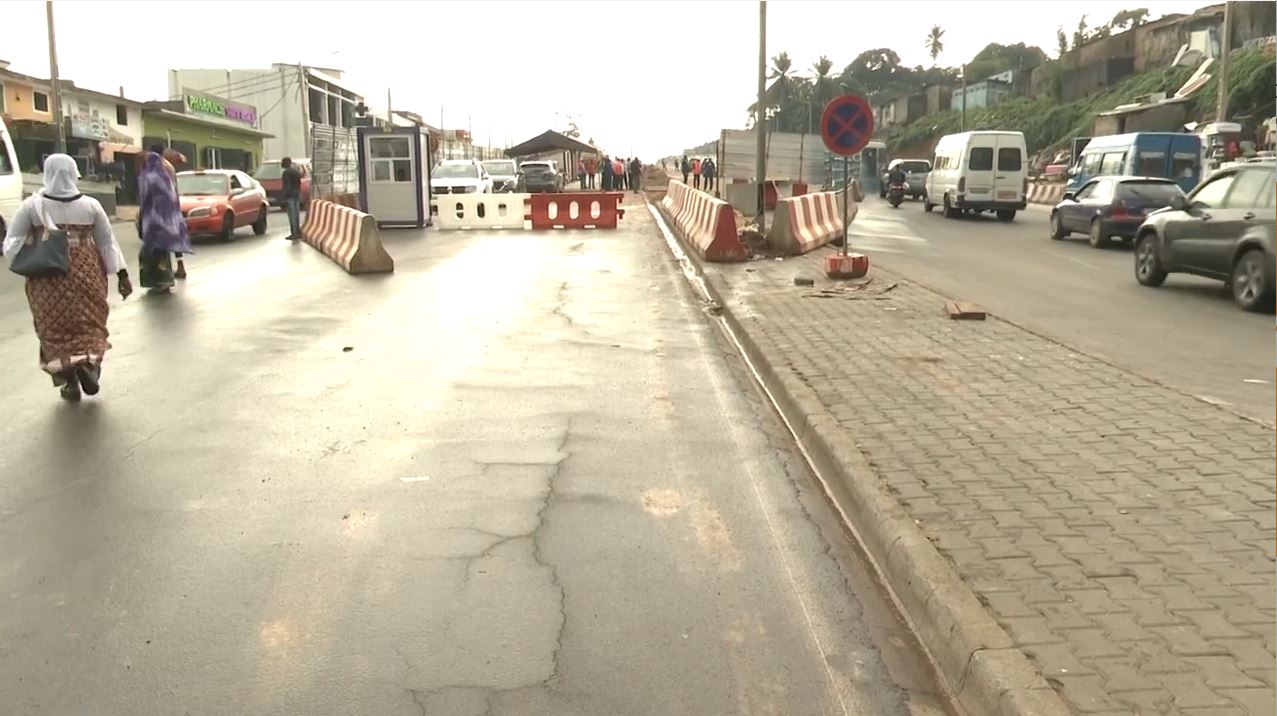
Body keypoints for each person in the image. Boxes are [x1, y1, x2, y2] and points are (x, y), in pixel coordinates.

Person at [3, 154, 132, 401]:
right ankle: (89, 365)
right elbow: (107, 244)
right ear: (74, 173)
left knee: (54, 329)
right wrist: (122, 275)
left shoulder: (31, 206)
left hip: (47, 278)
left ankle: (70, 383)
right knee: (90, 323)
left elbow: (11, 244)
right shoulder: (91, 205)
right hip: (87, 274)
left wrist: (35, 246)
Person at [136, 151, 193, 293]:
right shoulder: (166, 175)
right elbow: (172, 195)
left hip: (150, 220)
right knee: (163, 250)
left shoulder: (145, 177)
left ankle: (152, 280)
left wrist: (142, 218)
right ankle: (165, 280)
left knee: (150, 250)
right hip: (166, 217)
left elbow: (143, 199)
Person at [281, 157, 303, 240]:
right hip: (297, 194)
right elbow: (299, 183)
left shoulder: (286, 173)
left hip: (290, 196)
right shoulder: (295, 172)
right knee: (296, 214)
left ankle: (294, 233)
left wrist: (284, 196)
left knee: (292, 215)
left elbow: (286, 186)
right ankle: (298, 231)